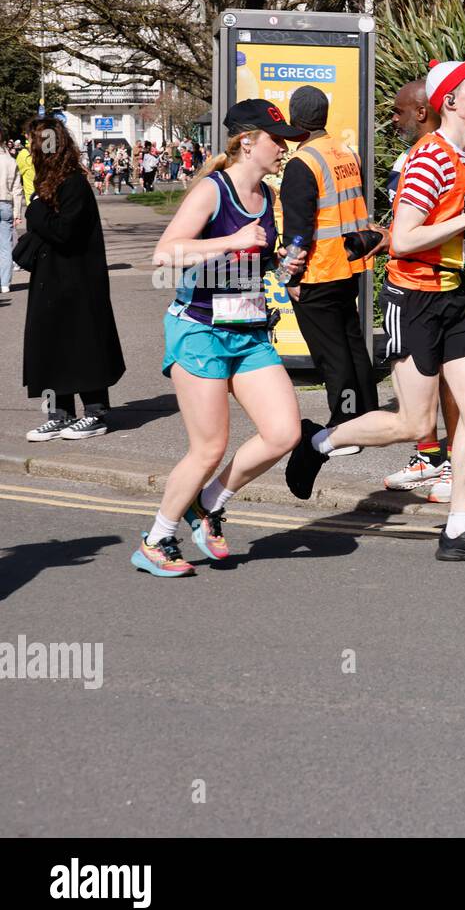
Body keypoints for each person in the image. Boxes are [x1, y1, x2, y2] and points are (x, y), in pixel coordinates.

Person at [283, 59, 465, 563]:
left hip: (455, 299)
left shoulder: (464, 156)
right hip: (414, 302)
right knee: (414, 424)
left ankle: (458, 530)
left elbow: (451, 228)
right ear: (449, 101)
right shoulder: (428, 159)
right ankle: (319, 442)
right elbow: (405, 239)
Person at [133, 100, 309, 577]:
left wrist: (280, 266)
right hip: (200, 331)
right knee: (209, 447)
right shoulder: (213, 190)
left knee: (284, 432)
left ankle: (208, 504)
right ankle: (156, 538)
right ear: (248, 141)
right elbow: (165, 253)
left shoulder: (267, 194)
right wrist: (231, 242)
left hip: (250, 331)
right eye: (278, 140)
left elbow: (255, 260)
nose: (285, 149)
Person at [279, 85, 383, 451]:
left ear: (294, 119)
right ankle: (366, 415)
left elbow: (297, 232)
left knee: (331, 353)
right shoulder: (344, 152)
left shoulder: (301, 163)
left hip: (318, 271)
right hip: (349, 263)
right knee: (351, 342)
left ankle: (344, 425)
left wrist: (288, 276)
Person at [20, 119, 125, 441]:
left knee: (82, 346)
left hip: (76, 282)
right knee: (50, 347)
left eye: (31, 142)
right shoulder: (48, 183)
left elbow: (64, 233)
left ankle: (95, 413)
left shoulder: (73, 184)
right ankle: (59, 413)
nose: (28, 149)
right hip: (50, 281)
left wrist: (34, 212)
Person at [379, 78, 459, 503]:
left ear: (422, 112)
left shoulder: (438, 157)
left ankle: (452, 465)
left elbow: (424, 229)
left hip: (432, 286)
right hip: (418, 284)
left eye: (399, 111)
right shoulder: (413, 158)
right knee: (420, 376)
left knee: (449, 378)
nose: (394, 119)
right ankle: (430, 457)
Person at [0, 140, 21, 293]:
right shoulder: (11, 161)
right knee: (6, 245)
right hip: (6, 203)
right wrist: (17, 213)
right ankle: (5, 283)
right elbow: (17, 189)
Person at [16, 137, 35, 206]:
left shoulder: (23, 155)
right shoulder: (45, 155)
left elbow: (14, 174)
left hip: (31, 198)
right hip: (45, 195)